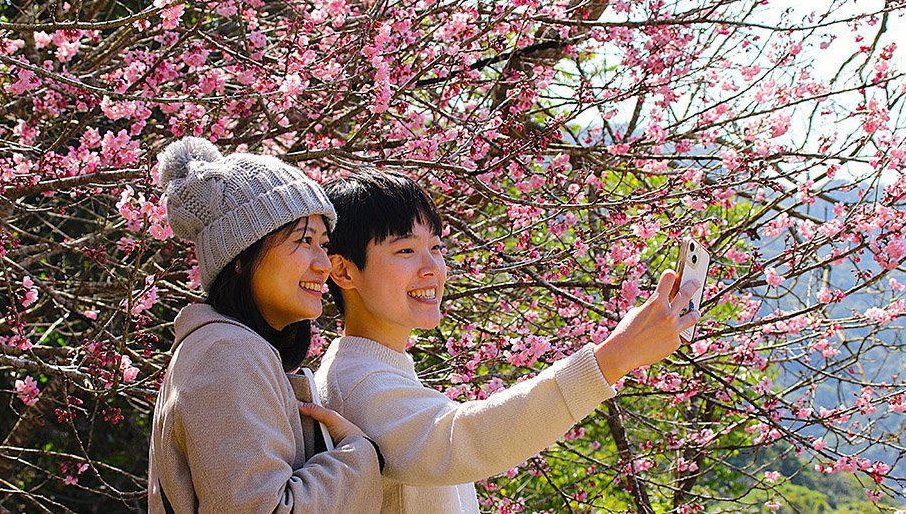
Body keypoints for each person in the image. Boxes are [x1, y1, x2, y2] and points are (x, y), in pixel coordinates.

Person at [319, 170, 700, 513]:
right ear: (343, 270)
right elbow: (464, 439)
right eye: (405, 250)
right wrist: (618, 355)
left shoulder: (376, 370)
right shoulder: (359, 384)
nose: (432, 268)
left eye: (435, 247)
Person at [147, 138, 383, 513]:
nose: (324, 264)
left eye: (324, 243)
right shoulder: (226, 354)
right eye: (304, 240)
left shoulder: (226, 348)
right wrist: (358, 455)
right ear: (240, 258)